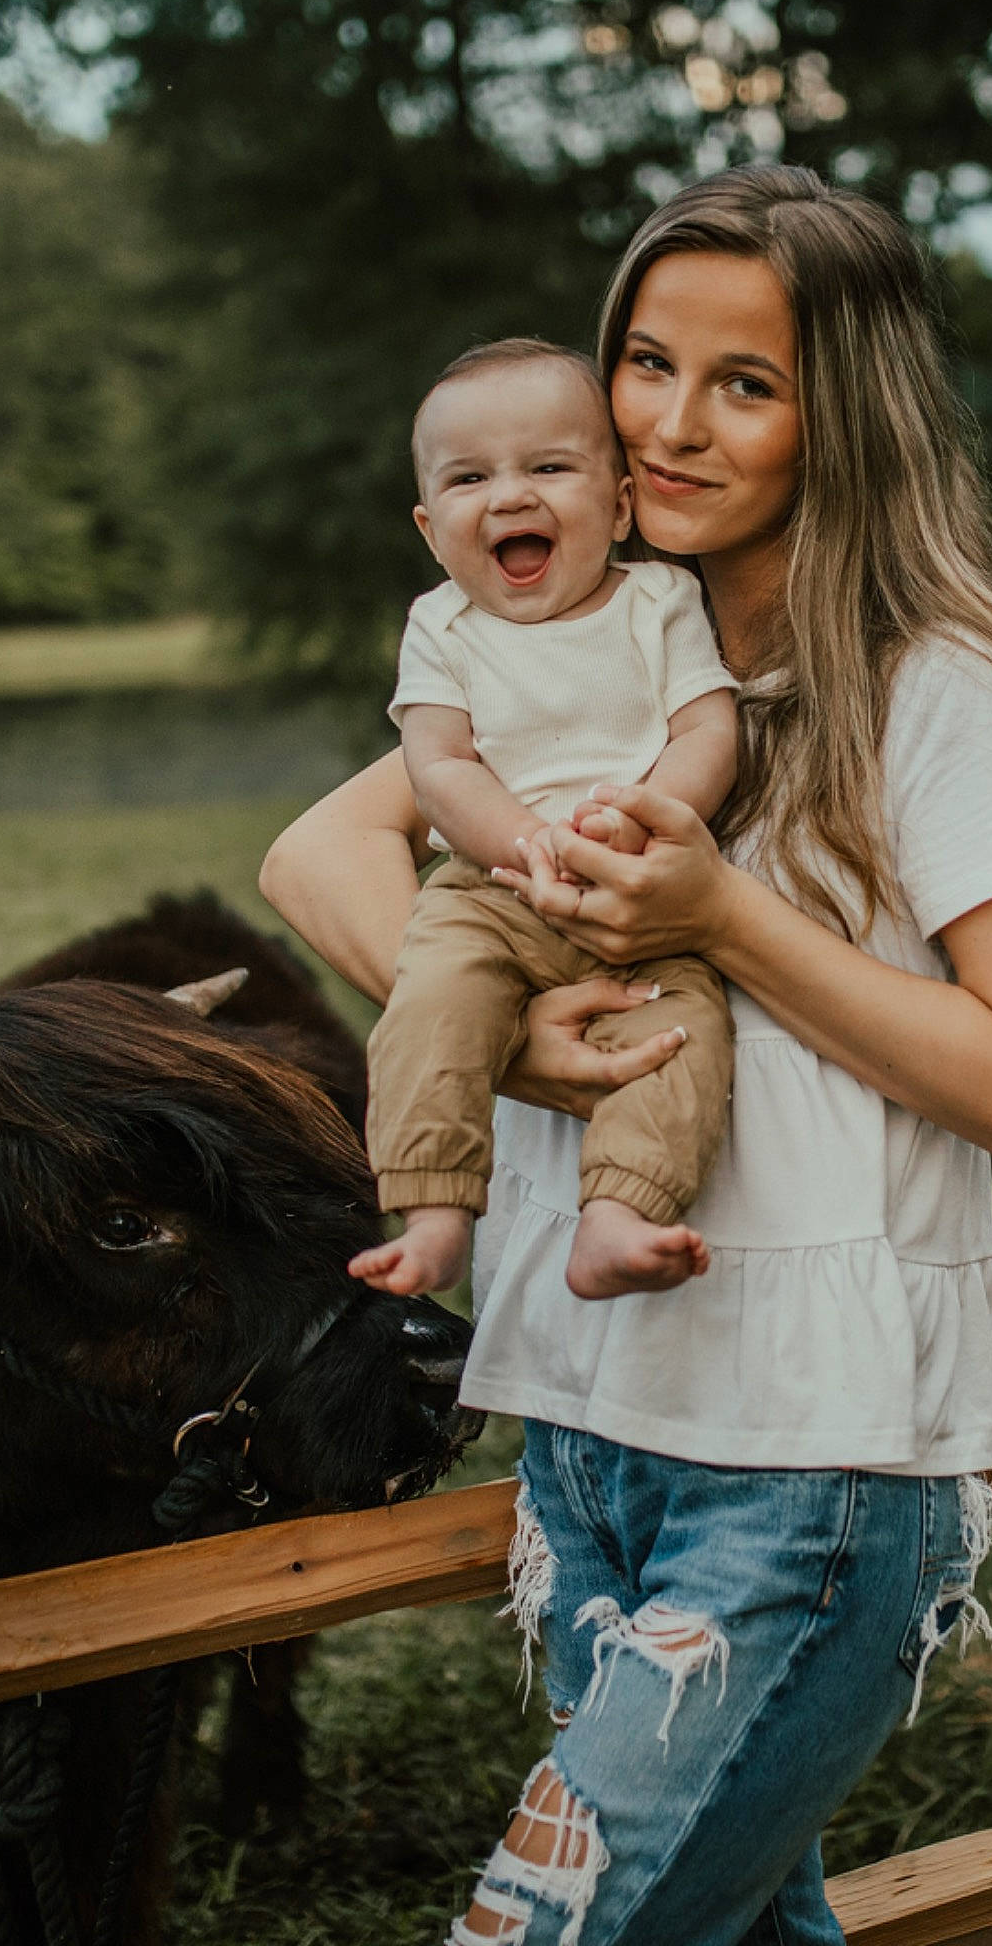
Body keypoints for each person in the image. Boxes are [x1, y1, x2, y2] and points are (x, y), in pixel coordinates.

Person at [259, 165, 992, 1946]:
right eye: (646, 362)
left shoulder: (938, 685)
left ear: (846, 415)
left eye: (746, 383)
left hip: (807, 1460)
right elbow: (322, 854)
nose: (667, 423)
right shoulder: (589, 641)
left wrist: (719, 917)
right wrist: (524, 1044)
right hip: (591, 1432)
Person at [352, 337, 739, 1303]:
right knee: (432, 1004)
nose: (509, 497)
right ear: (429, 527)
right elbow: (440, 765)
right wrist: (528, 844)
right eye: (469, 478)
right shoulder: (442, 627)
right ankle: (434, 1211)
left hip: (643, 893)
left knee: (682, 1035)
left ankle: (617, 1216)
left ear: (619, 506)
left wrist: (649, 818)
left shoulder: (659, 601)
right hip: (490, 890)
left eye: (549, 468)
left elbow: (707, 729)